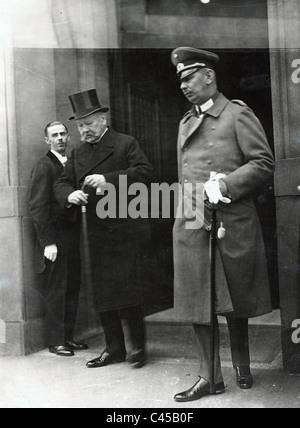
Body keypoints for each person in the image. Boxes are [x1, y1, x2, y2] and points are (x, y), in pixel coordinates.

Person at [171, 47, 275, 402]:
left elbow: (263, 162)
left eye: (189, 77)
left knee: (236, 297)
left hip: (230, 219)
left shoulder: (236, 114)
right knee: (198, 301)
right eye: (181, 80)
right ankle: (209, 377)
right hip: (192, 220)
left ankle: (242, 366)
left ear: (209, 76)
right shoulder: (185, 122)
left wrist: (225, 184)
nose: (184, 85)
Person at [54, 89, 154, 369]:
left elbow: (146, 174)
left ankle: (138, 347)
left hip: (125, 229)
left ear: (102, 118)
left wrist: (108, 179)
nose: (83, 130)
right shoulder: (77, 153)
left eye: (88, 123)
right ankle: (114, 349)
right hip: (94, 233)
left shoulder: (125, 144)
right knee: (103, 293)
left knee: (130, 290)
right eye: (80, 125)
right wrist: (69, 195)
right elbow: (62, 183)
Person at [28, 121, 88, 356]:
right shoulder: (44, 166)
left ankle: (68, 337)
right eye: (55, 135)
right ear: (47, 140)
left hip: (72, 235)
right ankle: (56, 341)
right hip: (55, 237)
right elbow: (37, 207)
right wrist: (48, 242)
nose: (60, 138)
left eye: (63, 134)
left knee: (72, 286)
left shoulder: (71, 164)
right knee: (57, 289)